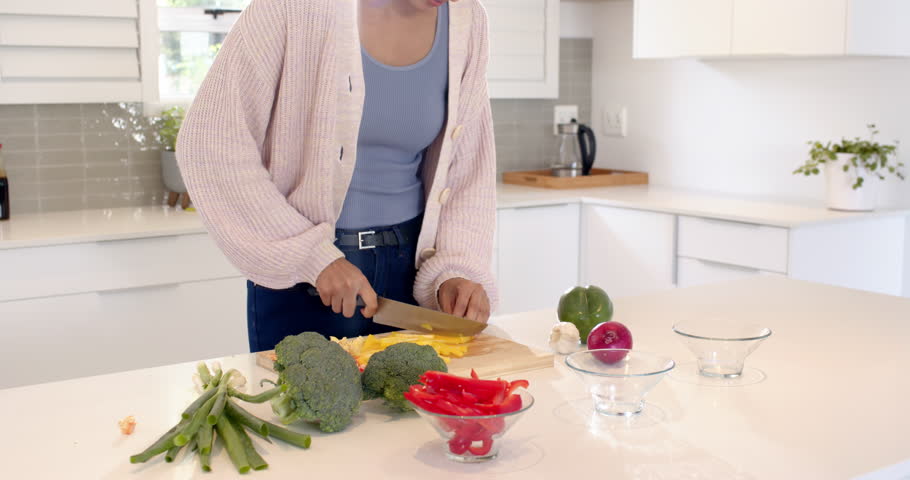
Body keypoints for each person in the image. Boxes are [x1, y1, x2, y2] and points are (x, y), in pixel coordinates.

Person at [177, 0, 497, 352]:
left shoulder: (467, 20)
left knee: (411, 408)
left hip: (411, 269)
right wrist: (311, 257)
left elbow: (467, 166)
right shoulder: (293, 8)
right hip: (302, 278)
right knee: (305, 407)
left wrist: (455, 270)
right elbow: (209, 144)